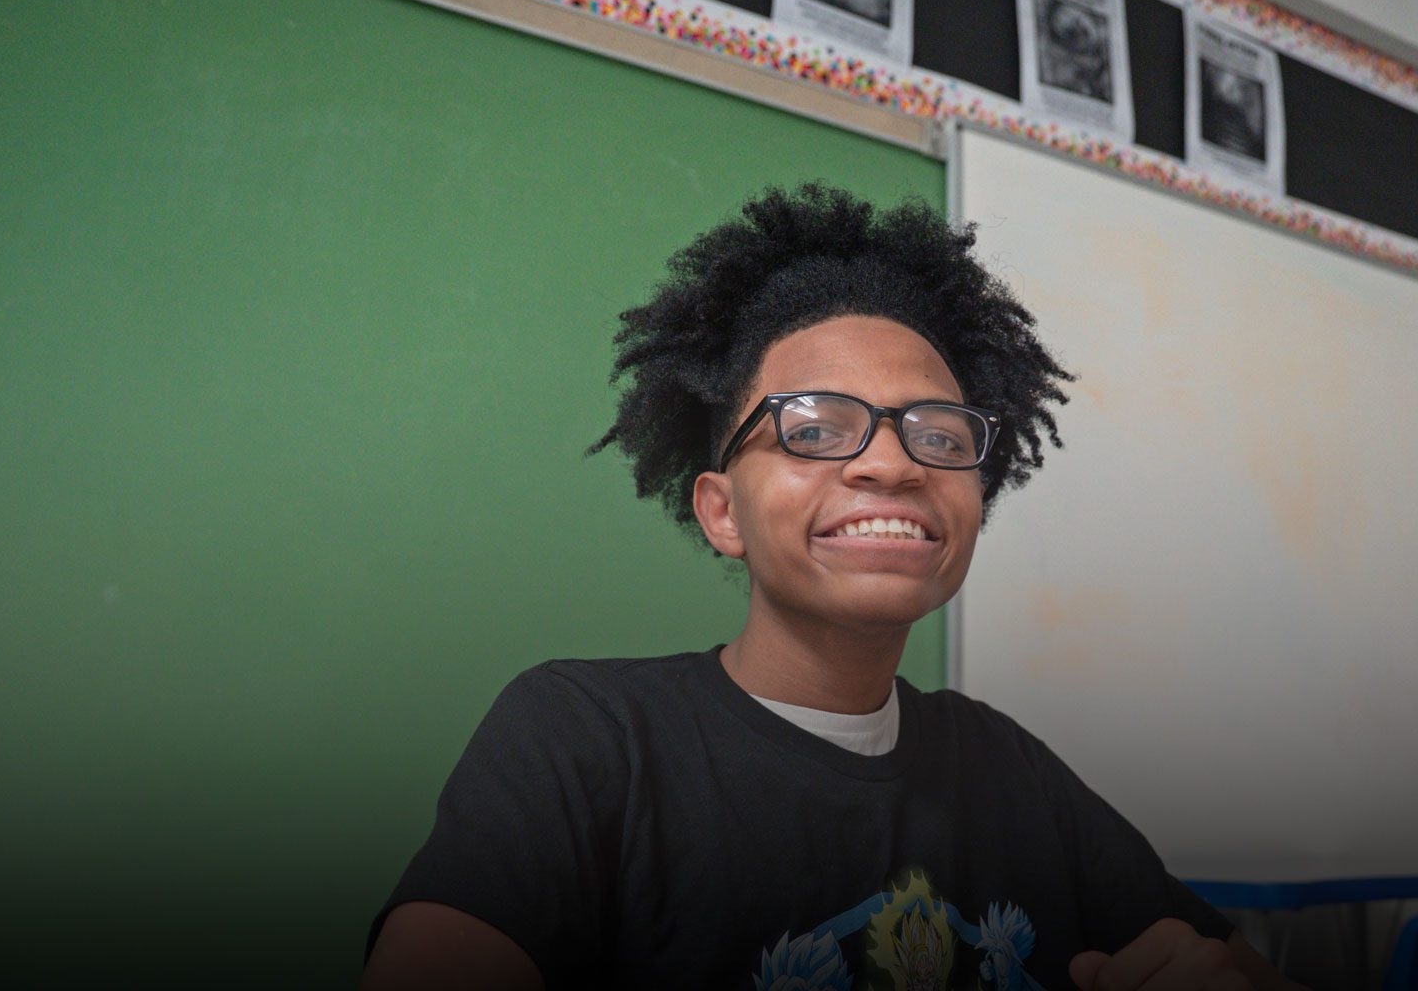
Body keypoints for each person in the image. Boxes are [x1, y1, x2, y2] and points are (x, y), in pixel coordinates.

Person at [360, 185, 1300, 991]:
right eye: (813, 426)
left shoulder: (1013, 773)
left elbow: (1231, 964)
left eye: (937, 433)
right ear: (721, 512)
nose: (892, 464)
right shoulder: (585, 739)